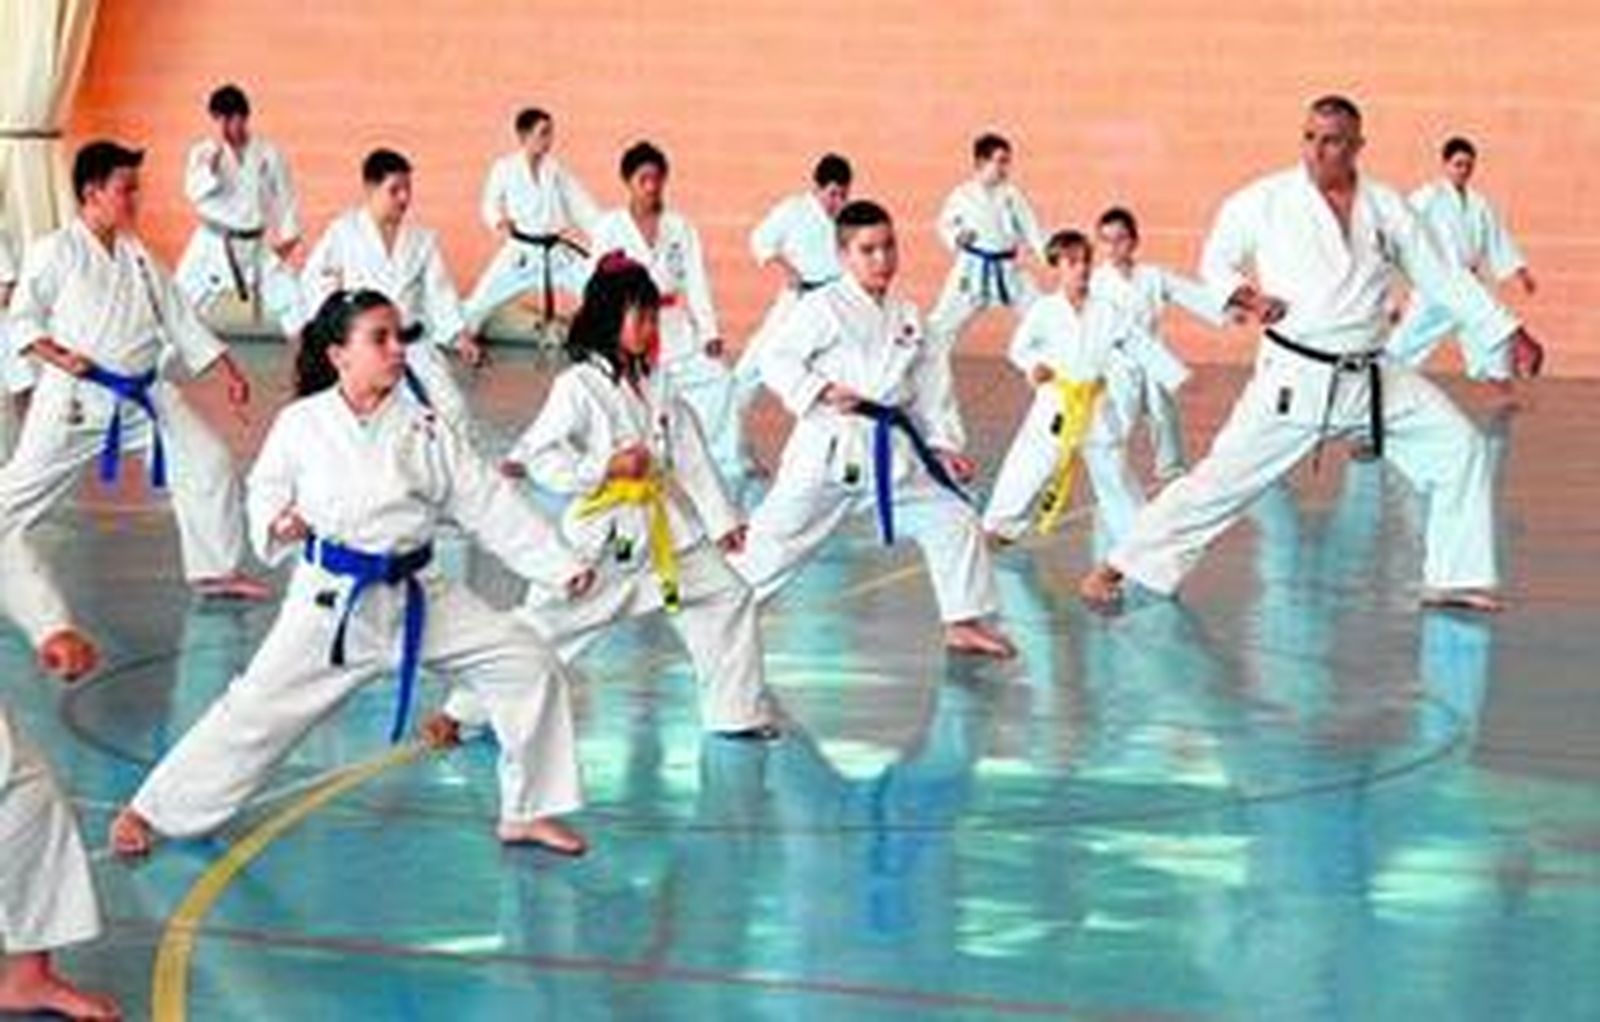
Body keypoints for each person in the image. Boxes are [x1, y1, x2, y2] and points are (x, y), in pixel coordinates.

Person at [110, 289, 596, 859]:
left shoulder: (425, 427)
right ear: (340, 354)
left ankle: (528, 812)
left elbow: (486, 501)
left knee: (526, 662)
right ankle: (153, 809)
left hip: (418, 596)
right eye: (380, 339)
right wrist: (279, 522)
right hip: (331, 605)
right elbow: (264, 490)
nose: (396, 350)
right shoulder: (303, 424)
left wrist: (559, 564)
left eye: (399, 338)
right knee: (256, 711)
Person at [1079, 96, 1544, 614]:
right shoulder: (1266, 200)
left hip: (1371, 375)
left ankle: (1455, 579)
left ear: (1357, 146)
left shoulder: (1387, 206)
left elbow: (1443, 276)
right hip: (1294, 378)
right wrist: (1247, 296)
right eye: (1309, 138)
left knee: (1461, 449)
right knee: (1221, 482)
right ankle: (1116, 566)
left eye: (1332, 141)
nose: (1317, 151)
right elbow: (1217, 259)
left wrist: (1508, 329)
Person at [427, 255, 778, 744]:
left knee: (729, 595)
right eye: (641, 317)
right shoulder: (578, 386)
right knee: (546, 627)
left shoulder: (657, 381)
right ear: (611, 319)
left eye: (654, 316)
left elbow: (690, 451)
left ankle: (735, 713)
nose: (651, 327)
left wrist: (721, 519)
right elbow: (540, 454)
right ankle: (461, 711)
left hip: (664, 533)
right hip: (604, 540)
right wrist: (604, 468)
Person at [1, 140, 268, 683]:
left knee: (209, 462)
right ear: (92, 192)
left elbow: (179, 318)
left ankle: (214, 570)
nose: (134, 199)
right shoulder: (56, 251)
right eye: (126, 189)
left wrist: (227, 370)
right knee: (16, 498)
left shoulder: (138, 255)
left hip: (144, 398)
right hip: (75, 402)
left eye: (135, 189)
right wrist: (57, 356)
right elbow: (23, 318)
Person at [733, 200, 1015, 657]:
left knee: (953, 517)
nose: (882, 259)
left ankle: (963, 621)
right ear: (844, 255)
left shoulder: (907, 314)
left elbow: (929, 387)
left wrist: (943, 445)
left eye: (888, 247)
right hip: (830, 452)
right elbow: (775, 358)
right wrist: (819, 390)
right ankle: (716, 611)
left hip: (891, 455)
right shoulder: (823, 306)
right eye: (868, 250)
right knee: (772, 545)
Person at [982, 230, 1146, 555]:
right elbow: (1019, 348)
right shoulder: (1044, 309)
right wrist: (1034, 367)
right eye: (1072, 262)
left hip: (1096, 403)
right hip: (1056, 401)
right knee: (1030, 462)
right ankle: (999, 526)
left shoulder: (1107, 310)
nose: (1082, 268)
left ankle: (1140, 541)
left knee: (1114, 473)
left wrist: (1176, 377)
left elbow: (1140, 345)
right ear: (1056, 266)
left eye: (1086, 261)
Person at [587, 142, 742, 478]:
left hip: (674, 325)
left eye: (657, 179)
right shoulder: (609, 226)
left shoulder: (679, 227)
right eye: (643, 179)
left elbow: (696, 282)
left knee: (721, 380)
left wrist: (709, 332)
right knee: (626, 397)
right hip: (628, 327)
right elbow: (595, 283)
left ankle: (723, 459)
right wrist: (600, 332)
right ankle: (629, 455)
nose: (651, 187)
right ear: (627, 182)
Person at [299, 148, 484, 428]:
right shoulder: (344, 231)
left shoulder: (422, 240)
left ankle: (444, 468)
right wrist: (334, 321)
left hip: (413, 345)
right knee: (369, 415)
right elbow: (314, 278)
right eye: (394, 190)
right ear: (371, 188)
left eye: (408, 189)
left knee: (452, 409)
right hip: (364, 347)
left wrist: (459, 336)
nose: (404, 198)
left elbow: (440, 290)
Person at [1090, 205, 1227, 481]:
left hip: (1153, 357)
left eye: (1121, 239)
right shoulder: (1096, 282)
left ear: (1134, 241)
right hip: (1117, 362)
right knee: (1121, 419)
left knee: (1163, 413)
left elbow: (1189, 293)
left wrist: (1225, 307)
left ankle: (1171, 468)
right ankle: (1106, 466)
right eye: (1106, 240)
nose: (1114, 247)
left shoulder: (1152, 276)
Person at [1388, 135, 1537, 386]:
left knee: (1481, 323)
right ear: (1445, 165)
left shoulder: (1479, 203)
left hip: (1467, 280)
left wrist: (1520, 271)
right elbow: (1402, 226)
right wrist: (1393, 293)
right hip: (1436, 282)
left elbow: (1497, 238)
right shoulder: (1428, 196)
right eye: (1458, 164)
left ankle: (1496, 375)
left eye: (1468, 165)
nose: (1464, 170)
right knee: (1412, 334)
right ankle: (1383, 372)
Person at [173, 83, 303, 336]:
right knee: (178, 305)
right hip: (212, 243)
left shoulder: (268, 154)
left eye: (230, 118)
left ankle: (303, 366)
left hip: (255, 245)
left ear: (244, 117)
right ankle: (160, 362)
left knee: (293, 300)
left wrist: (289, 237)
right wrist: (209, 169)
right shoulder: (204, 152)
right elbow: (192, 192)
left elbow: (285, 198)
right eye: (218, 119)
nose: (223, 127)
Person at [462, 107, 601, 338]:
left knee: (599, 291)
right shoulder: (505, 168)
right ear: (524, 136)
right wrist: (499, 221)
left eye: (550, 133)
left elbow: (583, 207)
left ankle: (608, 337)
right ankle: (459, 331)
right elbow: (489, 202)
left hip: (556, 254)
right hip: (521, 254)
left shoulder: (556, 170)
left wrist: (607, 235)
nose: (549, 140)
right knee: (478, 304)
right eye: (543, 133)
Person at [926, 132, 1048, 350]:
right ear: (981, 162)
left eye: (1007, 162)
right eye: (999, 161)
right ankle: (923, 371)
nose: (1004, 168)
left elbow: (1031, 228)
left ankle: (1057, 369)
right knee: (941, 325)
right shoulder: (963, 195)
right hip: (972, 269)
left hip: (1008, 269)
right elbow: (944, 224)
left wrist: (1049, 254)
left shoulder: (1012, 195)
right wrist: (957, 237)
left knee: (1042, 316)